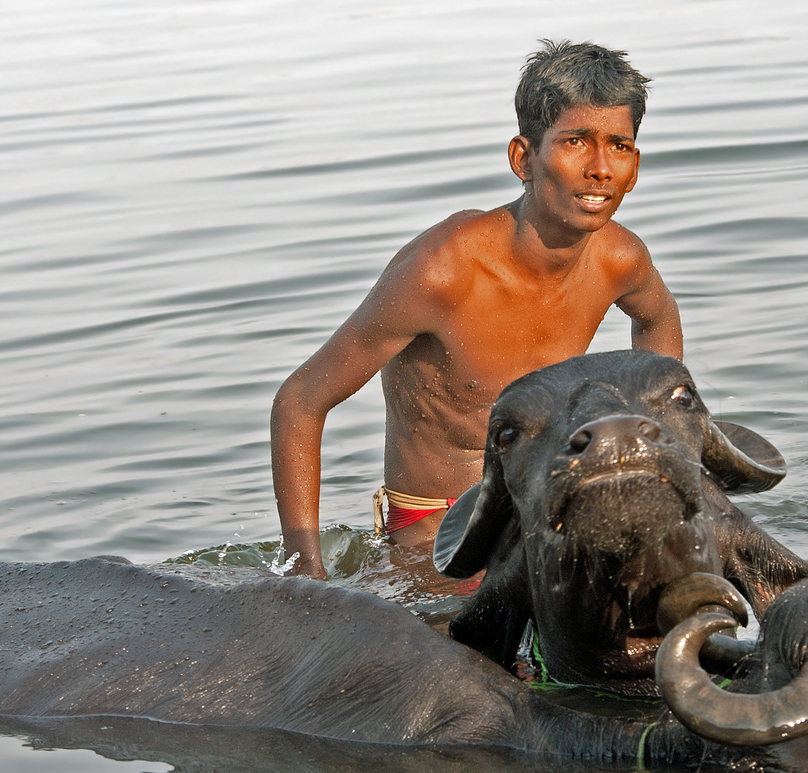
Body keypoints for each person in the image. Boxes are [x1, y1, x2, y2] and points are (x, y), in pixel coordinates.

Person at [271, 40, 683, 579]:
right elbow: (300, 402)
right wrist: (306, 570)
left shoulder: (618, 259)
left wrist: (654, 441)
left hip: (546, 513)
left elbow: (657, 320)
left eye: (620, 146)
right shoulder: (444, 271)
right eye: (575, 142)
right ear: (523, 158)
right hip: (440, 539)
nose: (600, 168)